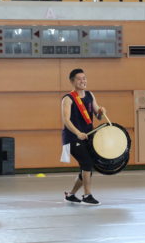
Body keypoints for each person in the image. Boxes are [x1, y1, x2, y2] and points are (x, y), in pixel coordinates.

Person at [61, 69, 106, 205]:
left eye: (84, 78)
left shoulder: (90, 95)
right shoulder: (67, 99)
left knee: (87, 167)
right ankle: (87, 195)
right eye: (79, 79)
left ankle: (71, 195)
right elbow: (66, 120)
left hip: (88, 137)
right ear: (72, 81)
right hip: (73, 138)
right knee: (87, 164)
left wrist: (101, 112)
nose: (83, 81)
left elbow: (97, 115)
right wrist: (77, 133)